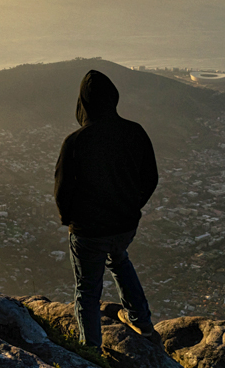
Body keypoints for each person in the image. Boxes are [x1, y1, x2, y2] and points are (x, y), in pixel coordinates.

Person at [53, 69, 160, 349]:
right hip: (125, 226)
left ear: (83, 103)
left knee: (88, 290)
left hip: (89, 231)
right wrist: (132, 206)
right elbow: (150, 178)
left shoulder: (76, 142)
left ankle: (91, 351)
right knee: (119, 258)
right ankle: (142, 323)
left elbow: (62, 190)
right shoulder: (135, 132)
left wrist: (69, 220)